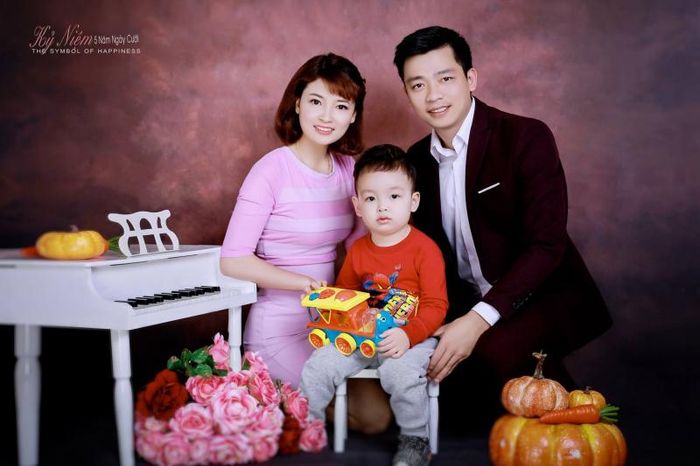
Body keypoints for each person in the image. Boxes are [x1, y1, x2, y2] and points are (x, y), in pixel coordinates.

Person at [392, 26, 613, 430]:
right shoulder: (416, 160)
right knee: (425, 375)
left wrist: (477, 320)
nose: (433, 95)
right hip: (465, 299)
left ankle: (572, 408)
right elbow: (423, 252)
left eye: (445, 78)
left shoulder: (525, 136)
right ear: (407, 94)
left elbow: (547, 245)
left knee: (486, 361)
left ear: (470, 79)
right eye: (418, 85)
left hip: (543, 295)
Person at [300, 144, 448, 466]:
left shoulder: (425, 250)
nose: (382, 207)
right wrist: (327, 298)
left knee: (399, 372)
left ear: (413, 201)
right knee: (319, 364)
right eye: (370, 198)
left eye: (394, 196)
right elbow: (346, 296)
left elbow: (436, 305)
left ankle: (415, 441)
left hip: (409, 338)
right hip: (361, 336)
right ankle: (307, 428)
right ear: (357, 205)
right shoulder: (358, 251)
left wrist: (409, 335)